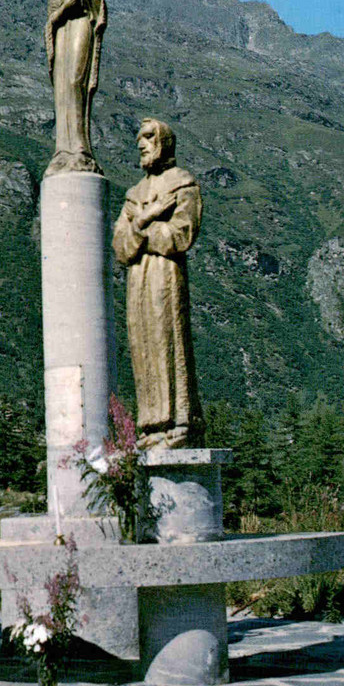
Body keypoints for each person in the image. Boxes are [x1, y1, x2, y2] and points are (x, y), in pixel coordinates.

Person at [112, 119, 204, 449]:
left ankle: (181, 420)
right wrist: (147, 218)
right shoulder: (134, 195)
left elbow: (180, 235)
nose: (141, 143)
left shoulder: (182, 184)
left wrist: (139, 233)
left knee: (169, 338)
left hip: (166, 276)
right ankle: (151, 423)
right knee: (143, 344)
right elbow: (121, 245)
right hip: (138, 280)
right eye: (139, 138)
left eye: (149, 137)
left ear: (164, 142)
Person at [41, 0, 107, 177]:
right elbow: (51, 20)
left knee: (75, 82)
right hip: (61, 36)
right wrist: (63, 9)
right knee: (62, 90)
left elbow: (96, 3)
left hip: (80, 28)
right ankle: (63, 148)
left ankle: (80, 146)